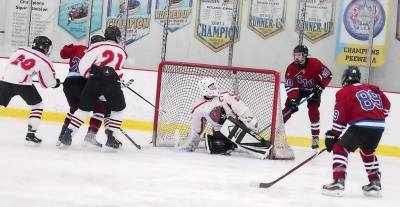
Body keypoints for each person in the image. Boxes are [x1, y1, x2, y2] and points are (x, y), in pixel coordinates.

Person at [322, 66, 390, 197]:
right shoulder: (373, 88)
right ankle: (375, 181)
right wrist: (376, 117)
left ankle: (338, 181)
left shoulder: (344, 92)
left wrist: (334, 134)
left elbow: (340, 116)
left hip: (361, 125)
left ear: (345, 79)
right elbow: (386, 106)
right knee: (367, 152)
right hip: (379, 125)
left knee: (340, 148)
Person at [59, 25, 128, 151]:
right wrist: (118, 83)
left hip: (95, 80)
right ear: (117, 37)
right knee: (117, 110)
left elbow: (83, 66)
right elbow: (119, 72)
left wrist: (89, 77)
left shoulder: (96, 46)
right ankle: (111, 139)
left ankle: (68, 135)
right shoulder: (122, 51)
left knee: (83, 109)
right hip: (112, 83)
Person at [179, 77, 270, 159]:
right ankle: (229, 145)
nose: (214, 88)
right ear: (204, 89)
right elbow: (197, 129)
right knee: (217, 146)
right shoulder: (198, 107)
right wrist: (191, 143)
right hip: (220, 131)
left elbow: (242, 109)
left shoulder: (226, 95)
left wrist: (249, 121)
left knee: (251, 123)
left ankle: (259, 144)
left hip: (237, 124)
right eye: (211, 86)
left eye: (214, 85)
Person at [0, 36, 60, 144]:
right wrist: (56, 83)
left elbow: (11, 65)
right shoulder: (44, 60)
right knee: (37, 105)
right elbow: (46, 83)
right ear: (45, 48)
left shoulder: (21, 49)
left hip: (5, 79)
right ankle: (31, 134)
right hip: (23, 83)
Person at [56, 35, 108, 148]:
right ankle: (91, 135)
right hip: (83, 83)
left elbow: (63, 54)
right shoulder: (99, 54)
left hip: (68, 83)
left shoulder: (79, 47)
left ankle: (62, 137)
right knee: (100, 107)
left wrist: (68, 46)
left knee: (74, 109)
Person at [282, 45, 332, 149]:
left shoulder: (315, 63)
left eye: (299, 55)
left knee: (313, 110)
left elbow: (328, 75)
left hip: (313, 90)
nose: (296, 57)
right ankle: (276, 130)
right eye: (295, 55)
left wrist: (321, 86)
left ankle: (315, 137)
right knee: (288, 109)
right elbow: (290, 85)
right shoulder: (291, 68)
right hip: (298, 91)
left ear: (305, 55)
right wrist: (292, 100)